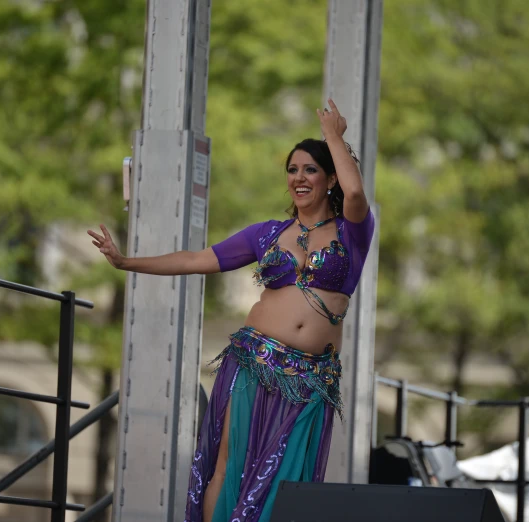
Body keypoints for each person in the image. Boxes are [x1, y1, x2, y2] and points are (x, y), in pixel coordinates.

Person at [87, 99, 375, 522]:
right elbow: (193, 261)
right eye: (292, 170)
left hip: (311, 378)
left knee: (285, 476)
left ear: (329, 177)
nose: (298, 178)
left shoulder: (352, 232)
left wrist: (335, 136)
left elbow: (355, 192)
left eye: (310, 169)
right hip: (251, 363)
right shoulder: (266, 234)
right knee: (228, 464)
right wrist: (127, 262)